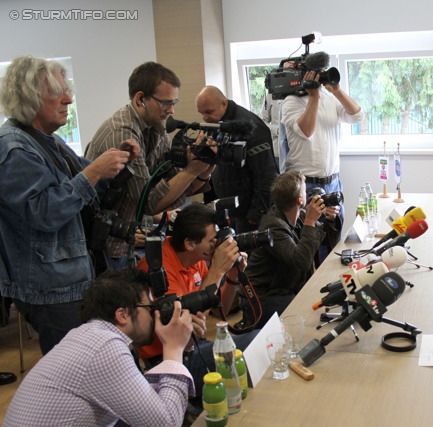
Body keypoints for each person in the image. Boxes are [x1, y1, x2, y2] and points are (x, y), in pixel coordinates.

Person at [0, 56, 139, 355]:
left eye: (67, 90)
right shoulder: (14, 148)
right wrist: (94, 171)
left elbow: (90, 189)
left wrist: (120, 163)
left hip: (73, 278)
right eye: (57, 93)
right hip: (52, 290)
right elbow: (44, 213)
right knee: (76, 367)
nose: (69, 99)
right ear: (28, 98)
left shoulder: (49, 140)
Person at [4, 268, 195, 427]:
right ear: (122, 315)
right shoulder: (104, 347)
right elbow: (166, 423)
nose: (155, 315)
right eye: (149, 308)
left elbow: (142, 401)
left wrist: (182, 348)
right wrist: (173, 348)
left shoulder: (90, 336)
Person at [86, 62, 215, 269]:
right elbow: (148, 203)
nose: (171, 110)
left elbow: (174, 186)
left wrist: (205, 165)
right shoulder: (122, 133)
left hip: (124, 241)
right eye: (165, 103)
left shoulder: (155, 129)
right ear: (140, 99)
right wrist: (191, 170)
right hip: (102, 245)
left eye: (174, 102)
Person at [136, 203, 257, 413]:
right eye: (212, 241)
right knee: (253, 344)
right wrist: (217, 270)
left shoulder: (196, 257)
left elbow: (220, 311)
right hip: (169, 358)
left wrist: (232, 275)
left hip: (195, 344)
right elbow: (184, 325)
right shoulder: (158, 268)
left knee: (260, 338)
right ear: (190, 243)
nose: (217, 245)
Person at [280, 55, 363, 258]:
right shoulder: (291, 102)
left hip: (333, 182)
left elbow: (357, 116)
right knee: (311, 245)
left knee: (334, 240)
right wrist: (314, 96)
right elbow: (306, 131)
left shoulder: (331, 99)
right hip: (306, 185)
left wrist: (336, 90)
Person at [240, 171, 342, 328]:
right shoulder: (272, 227)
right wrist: (310, 221)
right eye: (304, 190)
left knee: (324, 301)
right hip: (262, 298)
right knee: (310, 312)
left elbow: (324, 241)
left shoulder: (298, 215)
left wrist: (331, 220)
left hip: (284, 289)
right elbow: (301, 261)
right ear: (300, 199)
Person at [196, 85, 278, 234]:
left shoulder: (251, 127)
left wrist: (257, 212)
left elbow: (267, 174)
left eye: (208, 112)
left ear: (224, 103)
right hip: (225, 207)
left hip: (247, 214)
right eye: (201, 113)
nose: (205, 118)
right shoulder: (215, 124)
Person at [260, 92, 282, 170]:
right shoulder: (270, 96)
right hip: (278, 153)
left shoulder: (302, 93)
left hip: (298, 153)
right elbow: (262, 123)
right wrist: (278, 130)